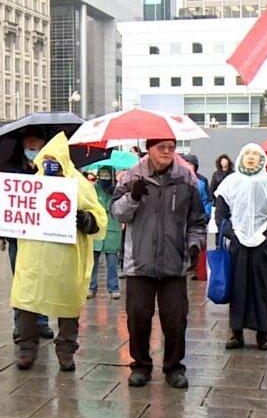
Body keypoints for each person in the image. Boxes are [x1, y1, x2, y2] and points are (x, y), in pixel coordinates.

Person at [112, 138, 207, 389]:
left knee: (176, 318)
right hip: (139, 262)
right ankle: (141, 365)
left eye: (171, 147)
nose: (167, 152)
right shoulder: (131, 176)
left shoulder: (186, 178)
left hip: (174, 262)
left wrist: (195, 243)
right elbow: (117, 213)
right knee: (139, 317)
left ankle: (174, 367)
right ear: (149, 149)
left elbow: (197, 220)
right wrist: (132, 197)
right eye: (161, 147)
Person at [11, 133, 106, 371]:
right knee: (27, 302)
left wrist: (87, 220)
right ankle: (26, 349)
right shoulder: (33, 183)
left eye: (55, 158)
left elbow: (99, 216)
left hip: (67, 259)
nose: (50, 162)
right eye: (47, 158)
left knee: (68, 306)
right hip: (34, 257)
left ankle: (66, 350)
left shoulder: (80, 184)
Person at [214, 144, 267, 351]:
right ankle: (236, 332)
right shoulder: (231, 182)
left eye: (256, 154)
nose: (252, 158)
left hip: (262, 243)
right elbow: (221, 211)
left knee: (262, 288)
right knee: (238, 288)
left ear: (263, 159)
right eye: (248, 154)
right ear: (240, 158)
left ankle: (262, 333)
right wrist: (231, 233)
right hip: (238, 242)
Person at [0, 127, 55, 339]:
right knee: (20, 279)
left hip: (43, 235)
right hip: (17, 236)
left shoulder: (52, 167)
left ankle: (41, 321)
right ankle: (20, 324)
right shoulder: (9, 168)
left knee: (42, 278)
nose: (31, 145)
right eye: (28, 141)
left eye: (36, 141)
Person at [89, 165, 121, 299]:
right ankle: (91, 287)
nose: (104, 178)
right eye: (102, 175)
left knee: (112, 260)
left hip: (112, 228)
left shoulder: (117, 190)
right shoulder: (93, 189)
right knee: (93, 261)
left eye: (107, 176)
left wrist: (115, 191)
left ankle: (113, 287)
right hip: (97, 227)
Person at [183, 154, 213, 281]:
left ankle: (194, 269)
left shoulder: (202, 181)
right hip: (183, 216)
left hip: (198, 217)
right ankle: (186, 267)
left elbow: (207, 199)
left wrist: (206, 214)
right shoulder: (179, 179)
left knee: (196, 244)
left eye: (191, 164)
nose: (189, 166)